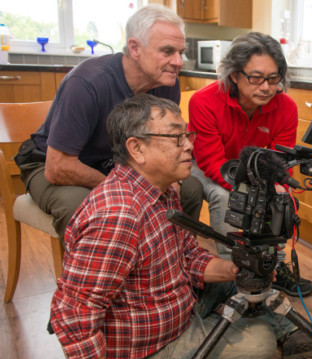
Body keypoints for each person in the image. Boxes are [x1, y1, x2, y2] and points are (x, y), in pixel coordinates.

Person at [49, 94, 312, 359]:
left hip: (172, 304)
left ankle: (291, 334)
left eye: (187, 134)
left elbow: (186, 254)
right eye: (175, 137)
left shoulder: (161, 188)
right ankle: (280, 332)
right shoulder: (118, 216)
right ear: (137, 148)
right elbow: (73, 316)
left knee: (246, 282)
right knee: (259, 345)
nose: (189, 144)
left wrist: (234, 268)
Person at [16, 4, 203, 239]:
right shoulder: (87, 83)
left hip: (117, 165)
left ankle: (174, 267)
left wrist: (172, 182)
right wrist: (125, 190)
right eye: (167, 51)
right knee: (86, 206)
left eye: (181, 52)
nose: (178, 62)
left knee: (190, 189)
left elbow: (164, 144)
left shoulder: (167, 84)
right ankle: (90, 275)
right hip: (52, 165)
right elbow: (58, 167)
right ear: (135, 47)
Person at [187, 31, 312, 296]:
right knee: (228, 197)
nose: (266, 87)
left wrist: (274, 188)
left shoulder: (286, 107)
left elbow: (278, 163)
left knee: (277, 199)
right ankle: (233, 276)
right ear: (235, 74)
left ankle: (274, 269)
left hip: (256, 171)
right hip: (206, 167)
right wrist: (249, 188)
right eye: (255, 78)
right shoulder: (203, 101)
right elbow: (212, 162)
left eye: (273, 78)